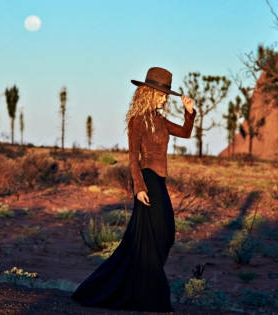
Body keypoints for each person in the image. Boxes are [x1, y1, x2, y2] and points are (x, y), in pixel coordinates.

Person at [71, 67, 196, 313]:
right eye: (161, 94)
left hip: (159, 181)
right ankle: (148, 289)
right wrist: (138, 188)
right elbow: (132, 158)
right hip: (147, 180)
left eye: (166, 95)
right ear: (149, 93)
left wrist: (189, 112)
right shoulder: (137, 120)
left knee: (165, 234)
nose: (164, 98)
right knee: (155, 234)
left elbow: (185, 132)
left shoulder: (159, 120)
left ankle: (140, 282)